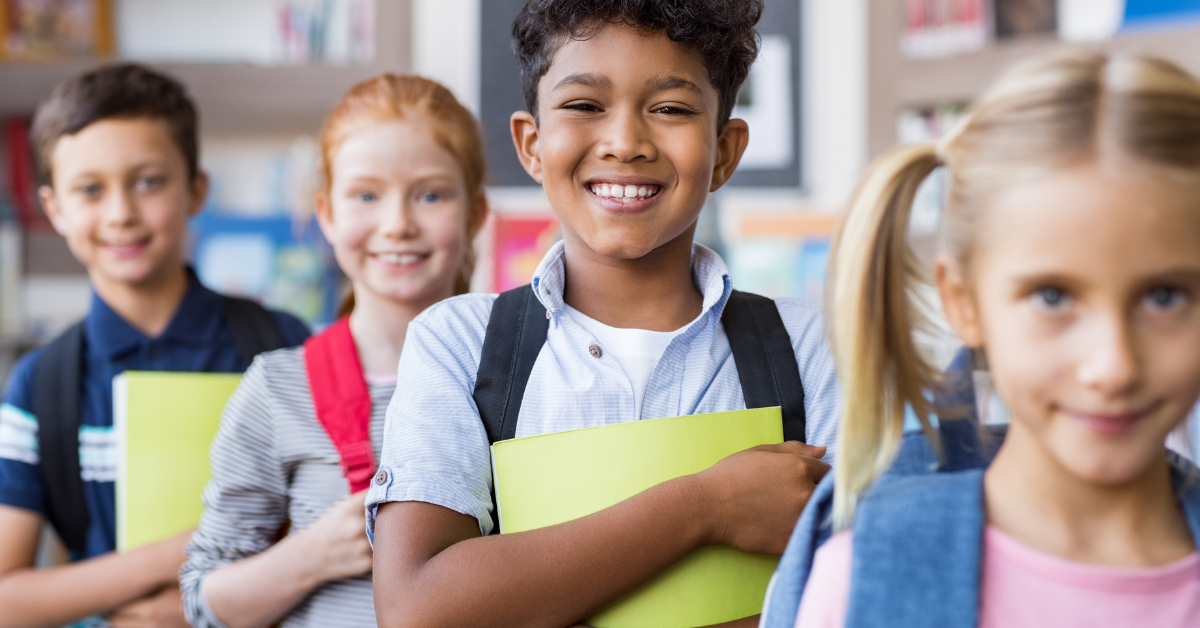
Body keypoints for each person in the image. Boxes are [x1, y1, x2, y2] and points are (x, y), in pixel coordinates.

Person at [367, 2, 841, 627]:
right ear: (532, 146)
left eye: (670, 108)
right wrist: (707, 506)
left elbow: (865, 591)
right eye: (585, 106)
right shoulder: (460, 343)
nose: (625, 143)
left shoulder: (810, 347)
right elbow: (417, 608)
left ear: (725, 152)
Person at [765, 51, 1200, 628]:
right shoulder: (863, 587)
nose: (1112, 367)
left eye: (1165, 297)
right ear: (965, 303)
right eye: (1052, 297)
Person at [0, 64, 309, 628]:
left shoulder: (287, 348)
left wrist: (200, 607)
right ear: (55, 210)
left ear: (196, 189)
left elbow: (329, 542)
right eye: (90, 189)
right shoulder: (41, 384)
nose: (121, 212)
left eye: (148, 181)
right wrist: (171, 560)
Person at [179, 74, 488, 628]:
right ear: (326, 214)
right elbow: (206, 602)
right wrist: (308, 556)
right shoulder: (276, 389)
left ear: (475, 214)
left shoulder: (532, 372)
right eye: (366, 195)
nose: (397, 224)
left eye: (431, 194)